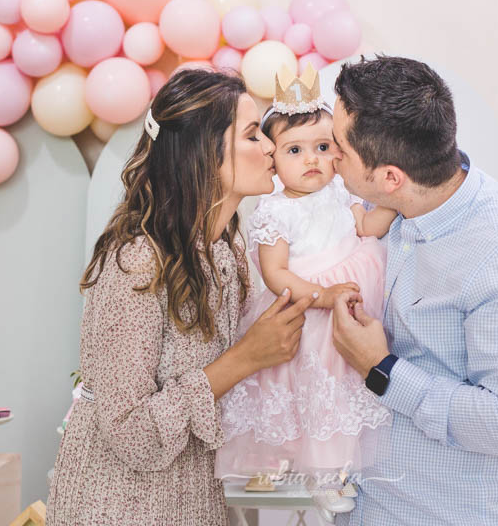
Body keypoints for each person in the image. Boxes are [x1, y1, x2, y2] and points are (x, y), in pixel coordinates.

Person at [46, 69, 314, 526]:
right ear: (204, 155)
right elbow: (131, 434)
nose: (271, 147)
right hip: (117, 509)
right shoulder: (137, 262)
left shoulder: (226, 253)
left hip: (192, 503)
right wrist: (246, 358)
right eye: (253, 136)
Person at [328, 56, 498, 526]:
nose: (327, 155)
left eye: (338, 147)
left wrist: (382, 370)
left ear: (390, 176)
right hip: (368, 507)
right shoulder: (397, 204)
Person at [215, 66, 395, 521]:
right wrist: (322, 294)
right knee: (313, 391)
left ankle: (342, 471)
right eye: (295, 150)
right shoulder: (274, 211)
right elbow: (275, 275)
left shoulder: (341, 191)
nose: (312, 159)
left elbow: (365, 227)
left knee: (345, 391)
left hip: (351, 301)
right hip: (308, 308)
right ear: (273, 159)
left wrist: (395, 205)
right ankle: (317, 475)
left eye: (322, 147)